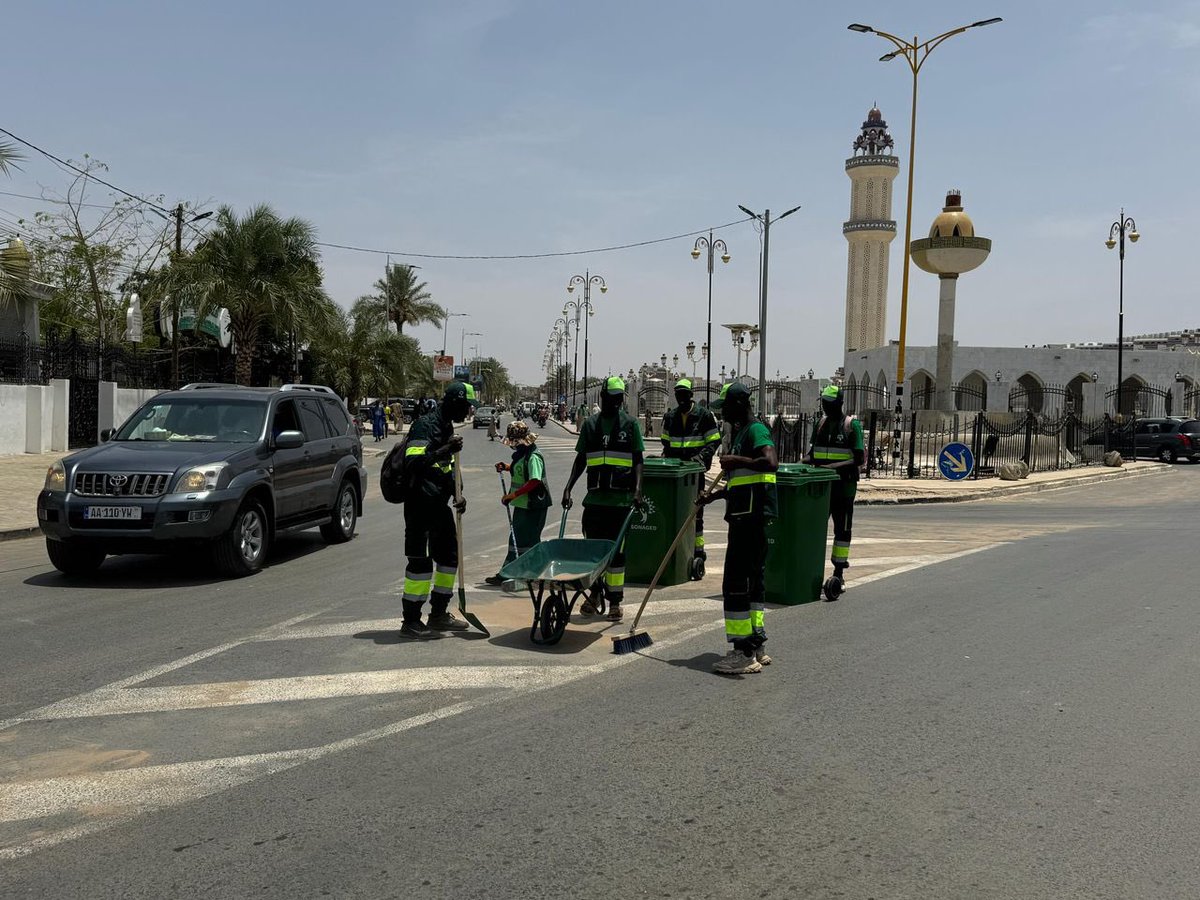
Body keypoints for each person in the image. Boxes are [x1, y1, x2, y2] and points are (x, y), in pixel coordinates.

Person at [700, 382, 778, 675]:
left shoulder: (755, 430)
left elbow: (770, 463)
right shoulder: (741, 434)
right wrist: (713, 496)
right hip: (746, 514)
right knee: (753, 581)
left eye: (726, 409)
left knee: (735, 583)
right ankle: (756, 644)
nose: (723, 415)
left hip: (750, 518)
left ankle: (742, 652)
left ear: (738, 406)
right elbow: (742, 482)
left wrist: (735, 459)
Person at [562, 376, 644, 622]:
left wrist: (638, 490)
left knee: (616, 556)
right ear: (603, 397)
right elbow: (581, 460)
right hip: (595, 501)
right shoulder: (590, 425)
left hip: (620, 502)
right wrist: (568, 488)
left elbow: (638, 459)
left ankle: (615, 602)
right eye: (610, 398)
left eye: (618, 399)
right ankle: (595, 594)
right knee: (593, 554)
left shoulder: (631, 425)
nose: (614, 402)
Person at [399, 381, 473, 638]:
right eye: (465, 406)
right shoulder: (425, 425)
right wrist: (445, 448)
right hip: (420, 503)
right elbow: (414, 462)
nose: (468, 412)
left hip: (439, 504)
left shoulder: (446, 426)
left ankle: (439, 614)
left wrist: (458, 492)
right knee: (420, 562)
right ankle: (410, 620)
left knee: (449, 557)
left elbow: (448, 466)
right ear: (454, 402)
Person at [803, 384, 865, 598]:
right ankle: (811, 572)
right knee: (815, 529)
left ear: (839, 404)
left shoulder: (850, 425)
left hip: (843, 488)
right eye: (823, 403)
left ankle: (839, 573)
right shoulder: (820, 424)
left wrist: (831, 469)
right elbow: (813, 454)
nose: (825, 407)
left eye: (829, 404)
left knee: (842, 531)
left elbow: (859, 459)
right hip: (821, 488)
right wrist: (798, 463)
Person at [659, 378, 721, 569]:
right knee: (674, 511)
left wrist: (701, 457)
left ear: (691, 395)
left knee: (696, 512)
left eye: (684, 395)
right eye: (678, 395)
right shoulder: (670, 417)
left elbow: (714, 441)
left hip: (695, 473)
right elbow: (666, 444)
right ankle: (676, 546)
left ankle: (697, 550)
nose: (681, 399)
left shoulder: (704, 416)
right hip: (676, 473)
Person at [486, 421, 551, 586]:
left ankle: (523, 572)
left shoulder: (533, 456)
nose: (512, 446)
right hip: (522, 505)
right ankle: (516, 571)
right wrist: (507, 467)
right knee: (518, 540)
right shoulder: (522, 455)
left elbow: (534, 480)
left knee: (527, 540)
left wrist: (512, 495)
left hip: (533, 505)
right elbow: (520, 470)